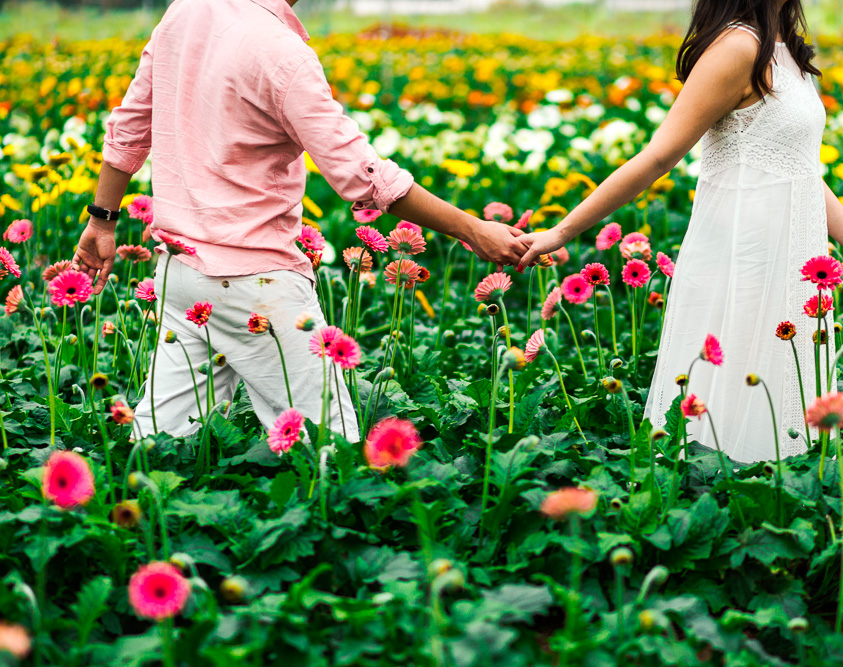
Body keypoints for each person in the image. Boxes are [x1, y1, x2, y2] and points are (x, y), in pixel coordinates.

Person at [72, 0, 527, 442]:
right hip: (255, 285)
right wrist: (472, 229)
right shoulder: (282, 52)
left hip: (179, 276)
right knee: (330, 453)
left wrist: (103, 222)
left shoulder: (186, 9)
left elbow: (129, 127)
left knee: (161, 448)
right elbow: (365, 178)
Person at [515, 0, 843, 463]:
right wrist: (561, 232)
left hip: (792, 263)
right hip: (742, 266)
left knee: (778, 398)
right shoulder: (737, 47)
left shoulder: (785, 51)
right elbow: (657, 158)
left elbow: (803, 173)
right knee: (734, 403)